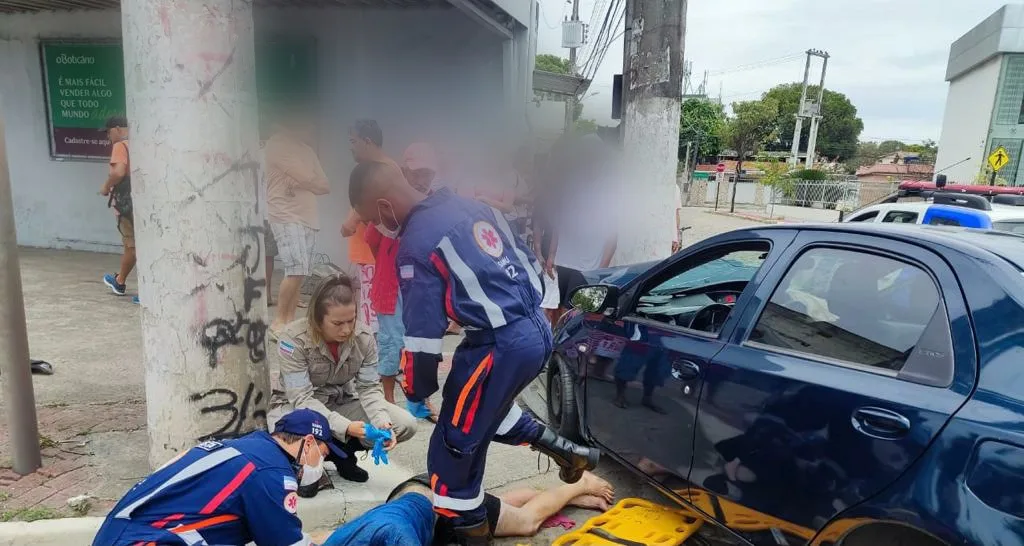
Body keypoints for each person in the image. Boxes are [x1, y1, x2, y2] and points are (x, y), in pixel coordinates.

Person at [348, 160, 599, 544]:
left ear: (383, 206)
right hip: (533, 329)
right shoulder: (472, 206)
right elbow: (527, 259)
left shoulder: (416, 245)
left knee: (451, 457)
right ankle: (567, 452)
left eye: (371, 218)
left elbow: (423, 334)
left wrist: (416, 391)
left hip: (496, 344)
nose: (374, 228)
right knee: (479, 410)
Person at [92, 408, 342, 546]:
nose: (321, 463)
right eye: (323, 454)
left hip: (124, 535)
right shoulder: (271, 471)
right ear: (308, 443)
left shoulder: (250, 448)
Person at [270, 273, 417, 484]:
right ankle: (313, 460)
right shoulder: (292, 341)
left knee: (404, 424)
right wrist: (346, 427)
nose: (347, 329)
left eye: (351, 320)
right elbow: (301, 399)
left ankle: (344, 455)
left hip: (341, 402)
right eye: (337, 323)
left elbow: (368, 388)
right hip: (297, 410)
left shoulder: (363, 338)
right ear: (317, 320)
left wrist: (382, 423)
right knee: (303, 480)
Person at [322, 471, 614, 546]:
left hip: (441, 504)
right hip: (421, 495)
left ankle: (578, 483)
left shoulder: (398, 538)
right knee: (500, 506)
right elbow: (318, 534)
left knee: (525, 523)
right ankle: (566, 497)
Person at [266, 117, 330, 337]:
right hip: (285, 214)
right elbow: (308, 178)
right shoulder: (277, 143)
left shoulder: (308, 151)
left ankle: (290, 320)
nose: (312, 129)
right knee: (294, 268)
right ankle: (278, 321)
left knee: (301, 272)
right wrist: (308, 181)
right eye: (308, 124)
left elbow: (324, 185)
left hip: (308, 217)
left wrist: (306, 182)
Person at [99, 116, 137, 303]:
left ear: (117, 129)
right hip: (146, 203)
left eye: (108, 132)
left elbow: (119, 171)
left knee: (133, 245)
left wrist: (106, 187)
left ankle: (121, 281)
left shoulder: (121, 146)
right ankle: (120, 279)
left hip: (128, 205)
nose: (107, 137)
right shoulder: (143, 142)